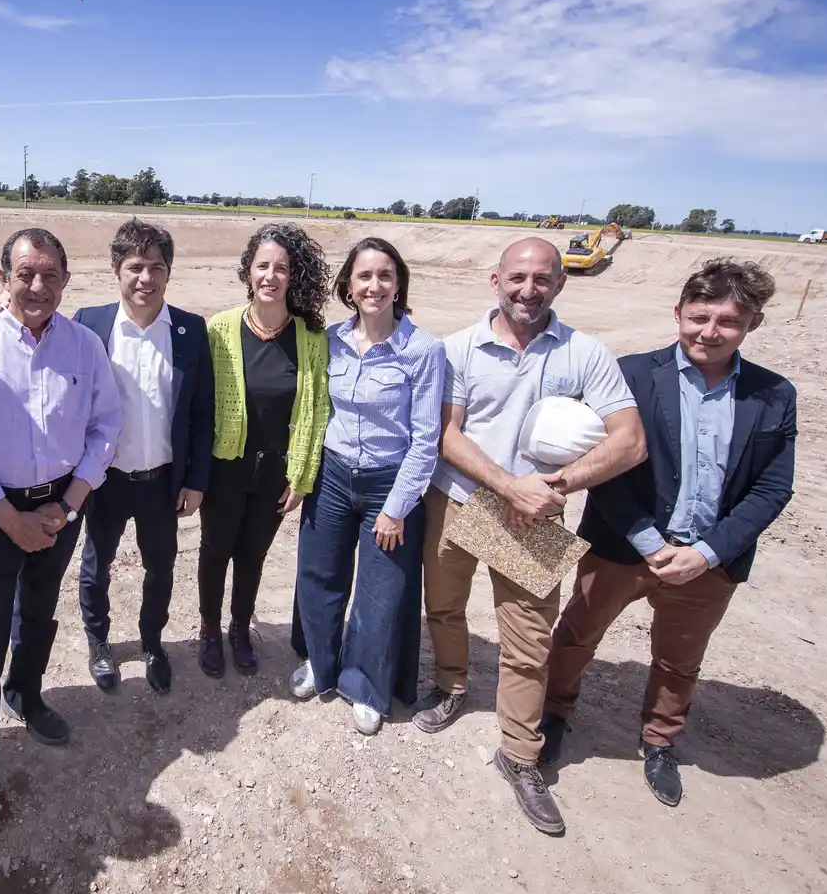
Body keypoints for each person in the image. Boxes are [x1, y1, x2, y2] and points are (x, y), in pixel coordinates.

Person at [541, 258, 796, 807]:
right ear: (678, 312)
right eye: (699, 316)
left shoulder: (775, 394)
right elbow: (602, 467)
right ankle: (555, 713)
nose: (710, 331)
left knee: (679, 660)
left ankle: (659, 741)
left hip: (708, 561)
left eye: (728, 321)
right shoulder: (629, 374)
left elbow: (772, 489)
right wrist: (651, 543)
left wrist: (705, 554)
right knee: (576, 636)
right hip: (621, 546)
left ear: (752, 324)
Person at [414, 237, 646, 836]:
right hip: (459, 498)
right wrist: (507, 485)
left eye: (541, 279)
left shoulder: (585, 354)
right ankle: (451, 685)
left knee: (529, 636)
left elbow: (629, 441)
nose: (528, 289)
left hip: (535, 514)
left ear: (560, 285)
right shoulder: (460, 348)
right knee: (443, 607)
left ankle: (519, 754)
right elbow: (448, 434)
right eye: (517, 277)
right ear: (496, 280)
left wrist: (555, 484)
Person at [0, 227, 122, 835]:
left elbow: (106, 427)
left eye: (50, 276)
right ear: (3, 278)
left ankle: (28, 693)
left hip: (59, 508)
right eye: (25, 274)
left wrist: (69, 505)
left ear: (66, 282)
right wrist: (7, 517)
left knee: (40, 613)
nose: (37, 286)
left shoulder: (85, 345)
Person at [290, 238, 446, 734]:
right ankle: (321, 661)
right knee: (319, 575)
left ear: (398, 284)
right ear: (349, 286)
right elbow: (314, 411)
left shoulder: (422, 350)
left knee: (382, 592)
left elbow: (426, 441)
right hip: (333, 476)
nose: (374, 285)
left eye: (385, 275)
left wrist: (397, 507)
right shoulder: (330, 340)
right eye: (364, 276)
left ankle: (365, 685)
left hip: (389, 482)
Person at [72, 219, 215, 695]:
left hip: (161, 483)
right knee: (97, 564)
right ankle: (99, 643)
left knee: (161, 566)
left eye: (156, 267)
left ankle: (153, 643)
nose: (145, 278)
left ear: (169, 273)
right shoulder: (88, 324)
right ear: (117, 270)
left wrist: (195, 479)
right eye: (135, 266)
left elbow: (201, 411)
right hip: (104, 479)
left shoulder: (190, 331)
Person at [198, 222, 330, 678]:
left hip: (276, 471)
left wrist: (303, 476)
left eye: (282, 268)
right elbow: (197, 406)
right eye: (262, 266)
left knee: (252, 555)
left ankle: (239, 629)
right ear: (248, 272)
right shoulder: (218, 330)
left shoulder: (311, 337)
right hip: (224, 469)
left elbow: (318, 411)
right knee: (216, 550)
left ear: (294, 276)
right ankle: (210, 630)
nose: (271, 276)